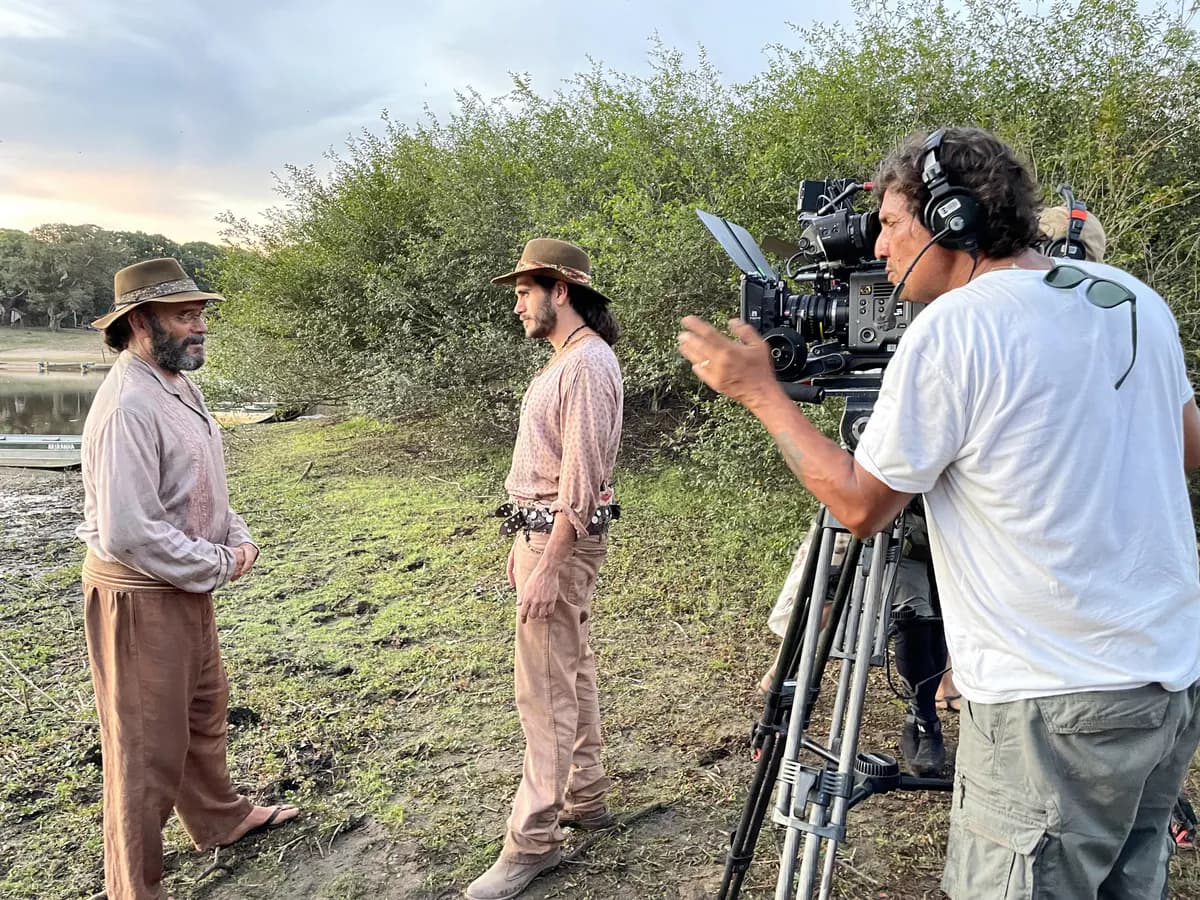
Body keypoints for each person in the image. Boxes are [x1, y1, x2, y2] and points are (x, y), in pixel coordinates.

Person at [680, 127, 1200, 898]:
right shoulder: (1132, 300)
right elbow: (1189, 445)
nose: (878, 247)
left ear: (950, 219)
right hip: (1165, 681)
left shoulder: (956, 328)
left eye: (890, 223)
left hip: (1049, 706)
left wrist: (761, 394)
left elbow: (861, 506)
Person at [77, 258, 298, 900]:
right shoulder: (127, 405)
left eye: (201, 313)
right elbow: (127, 530)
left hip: (185, 585)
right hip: (142, 594)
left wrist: (236, 535)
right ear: (140, 323)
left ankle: (219, 819)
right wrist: (218, 563)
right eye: (185, 315)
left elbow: (200, 485)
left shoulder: (176, 383)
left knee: (204, 711)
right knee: (144, 749)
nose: (200, 326)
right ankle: (133, 887)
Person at [466, 239, 624, 900]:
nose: (517, 307)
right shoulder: (572, 359)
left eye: (524, 292)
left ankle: (531, 842)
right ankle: (583, 796)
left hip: (559, 541)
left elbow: (580, 485)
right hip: (541, 535)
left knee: (544, 693)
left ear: (560, 290)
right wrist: (522, 540)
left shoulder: (586, 362)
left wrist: (548, 564)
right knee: (571, 668)